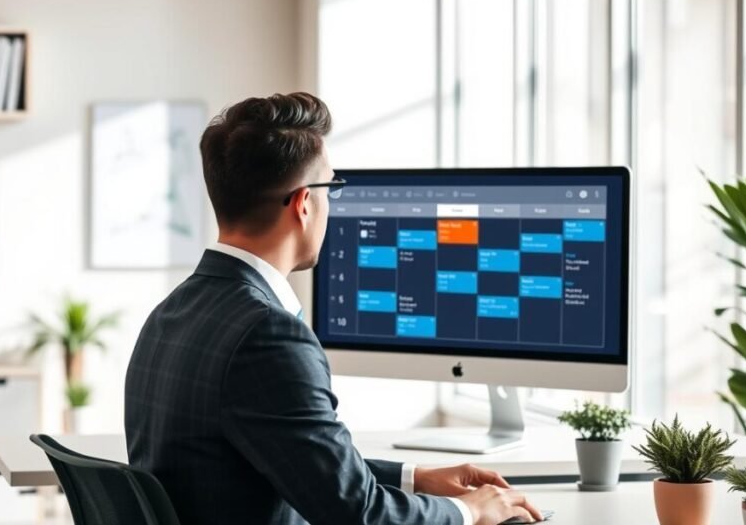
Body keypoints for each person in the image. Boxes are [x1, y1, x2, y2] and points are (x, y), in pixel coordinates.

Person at [125, 93, 543, 525]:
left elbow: (294, 457)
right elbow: (357, 514)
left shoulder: (171, 313)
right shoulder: (267, 335)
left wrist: (415, 477)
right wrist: (468, 510)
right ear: (304, 203)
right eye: (332, 189)